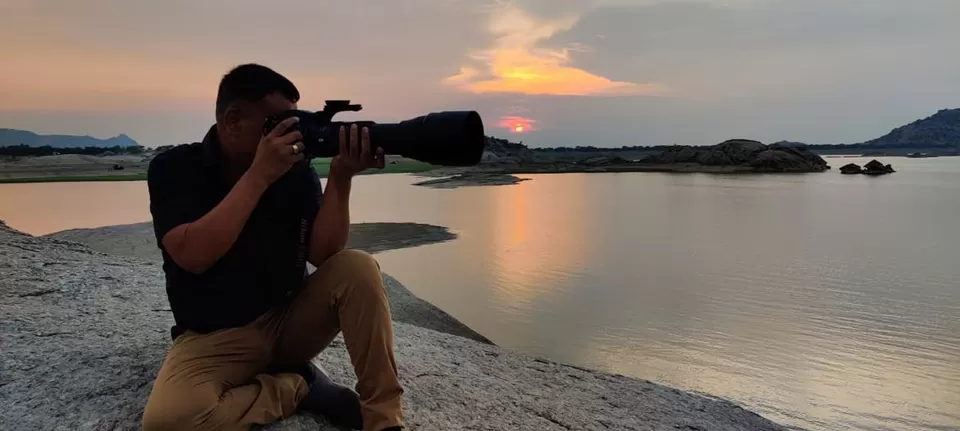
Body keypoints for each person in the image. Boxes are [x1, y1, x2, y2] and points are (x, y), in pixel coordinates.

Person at [140, 63, 404, 431]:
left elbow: (325, 255)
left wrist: (341, 176)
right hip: (215, 339)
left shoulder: (295, 169)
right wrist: (260, 175)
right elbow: (193, 256)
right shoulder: (175, 168)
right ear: (233, 122)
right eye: (278, 123)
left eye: (294, 121)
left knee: (356, 266)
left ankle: (383, 419)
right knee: (169, 422)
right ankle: (297, 386)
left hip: (289, 325)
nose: (291, 133)